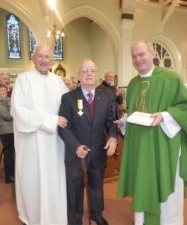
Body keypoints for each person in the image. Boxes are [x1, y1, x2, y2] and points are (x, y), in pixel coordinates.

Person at [116, 41, 187, 225]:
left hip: (164, 147)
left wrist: (165, 115)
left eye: (141, 54)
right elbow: (133, 110)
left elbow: (186, 107)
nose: (138, 59)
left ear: (152, 53)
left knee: (167, 192)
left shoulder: (171, 78)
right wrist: (124, 120)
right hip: (141, 148)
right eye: (134, 56)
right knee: (144, 184)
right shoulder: (132, 84)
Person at [11, 44, 68, 225]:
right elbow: (18, 111)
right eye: (40, 56)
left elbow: (68, 109)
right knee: (33, 182)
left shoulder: (58, 82)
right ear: (33, 58)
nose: (44, 60)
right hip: (32, 144)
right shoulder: (23, 80)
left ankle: (56, 218)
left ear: (51, 59)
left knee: (54, 181)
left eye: (47, 57)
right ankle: (34, 219)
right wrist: (50, 120)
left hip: (54, 144)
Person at [58, 59, 118, 225]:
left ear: (96, 75)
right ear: (79, 76)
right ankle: (75, 220)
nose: (89, 73)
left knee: (97, 186)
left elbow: (110, 122)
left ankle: (96, 215)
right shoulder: (68, 98)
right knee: (75, 189)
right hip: (75, 152)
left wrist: (113, 137)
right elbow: (63, 127)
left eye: (92, 70)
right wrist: (75, 146)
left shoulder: (105, 97)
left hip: (98, 151)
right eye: (85, 71)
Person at [0, 83, 15, 184]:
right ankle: (9, 177)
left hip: (9, 129)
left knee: (11, 153)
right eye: (1, 90)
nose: (4, 92)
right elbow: (7, 116)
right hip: (6, 130)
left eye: (5, 90)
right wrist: (16, 111)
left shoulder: (4, 100)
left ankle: (12, 174)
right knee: (9, 154)